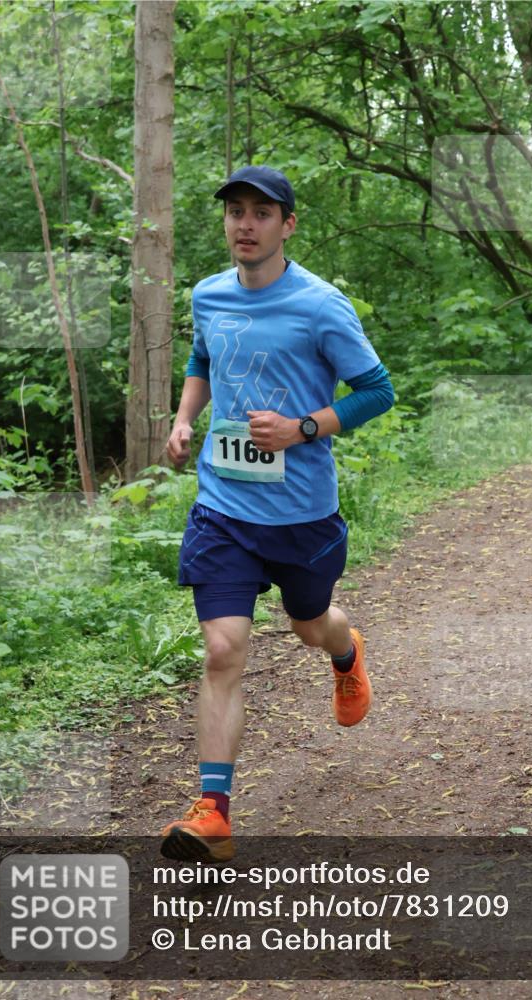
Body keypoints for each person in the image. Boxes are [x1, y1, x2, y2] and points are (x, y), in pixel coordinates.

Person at [161, 165, 394, 862]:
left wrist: (303, 428)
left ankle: (346, 653)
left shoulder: (321, 305)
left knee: (309, 626)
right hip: (223, 507)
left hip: (301, 514)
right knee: (222, 649)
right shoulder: (208, 294)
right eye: (235, 210)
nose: (245, 224)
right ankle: (213, 812)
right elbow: (203, 360)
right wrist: (184, 419)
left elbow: (376, 390)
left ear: (287, 225)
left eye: (261, 213)